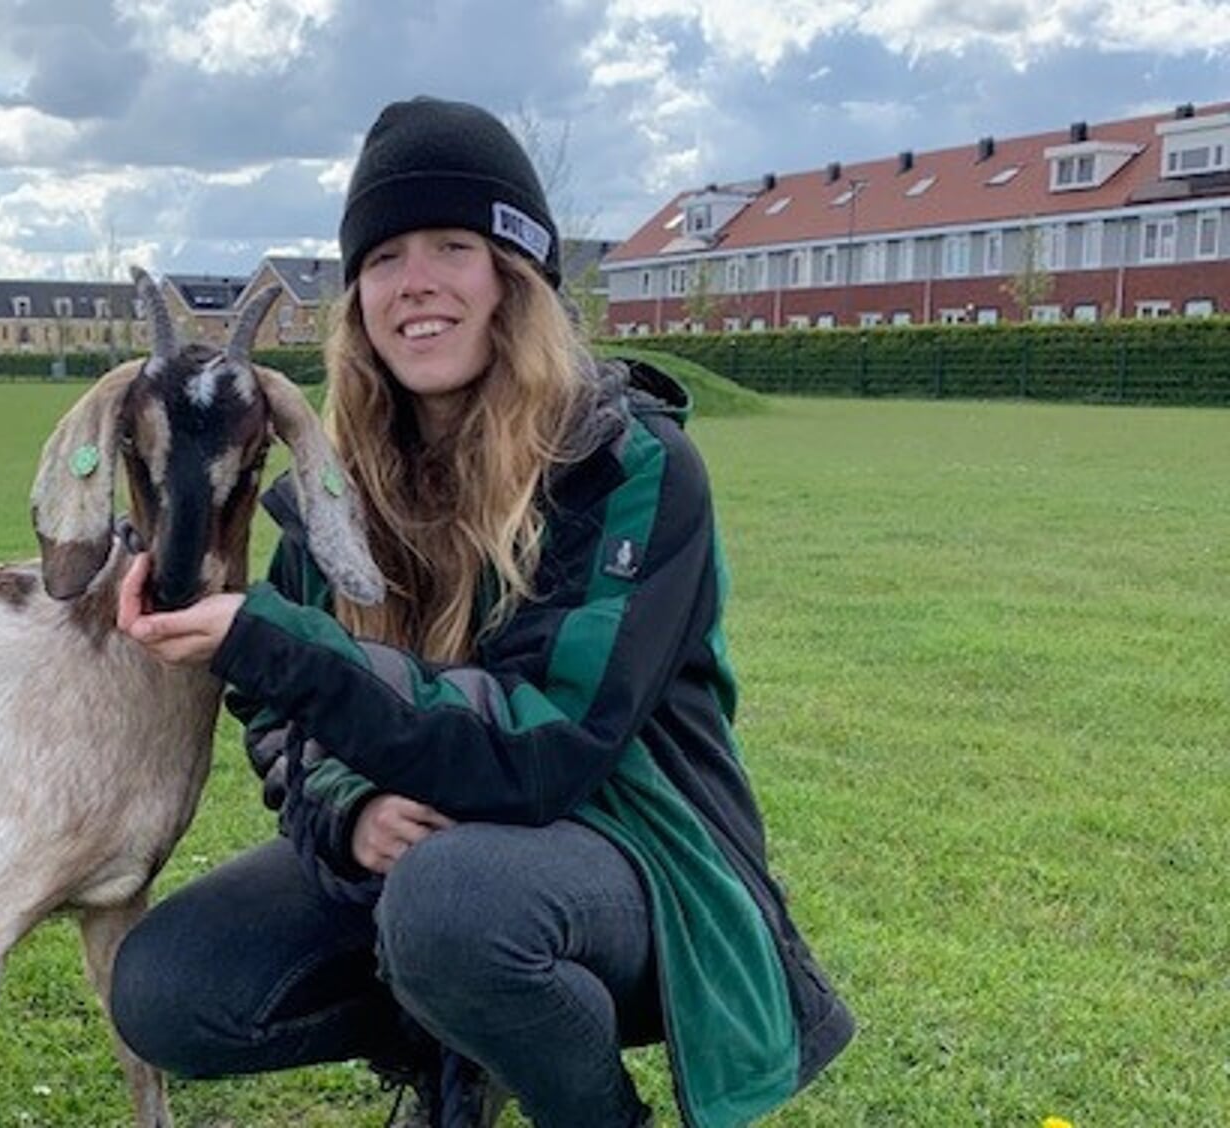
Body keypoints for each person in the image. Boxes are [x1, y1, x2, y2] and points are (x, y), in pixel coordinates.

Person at [109, 95, 853, 1128]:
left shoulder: (629, 468)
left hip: (628, 854)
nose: (414, 281)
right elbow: (282, 721)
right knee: (168, 984)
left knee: (456, 903)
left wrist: (275, 645)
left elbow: (546, 744)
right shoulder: (337, 490)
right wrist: (347, 809)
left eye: (452, 245)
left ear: (517, 275)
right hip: (429, 864)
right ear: (358, 295)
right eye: (384, 256)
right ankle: (456, 1046)